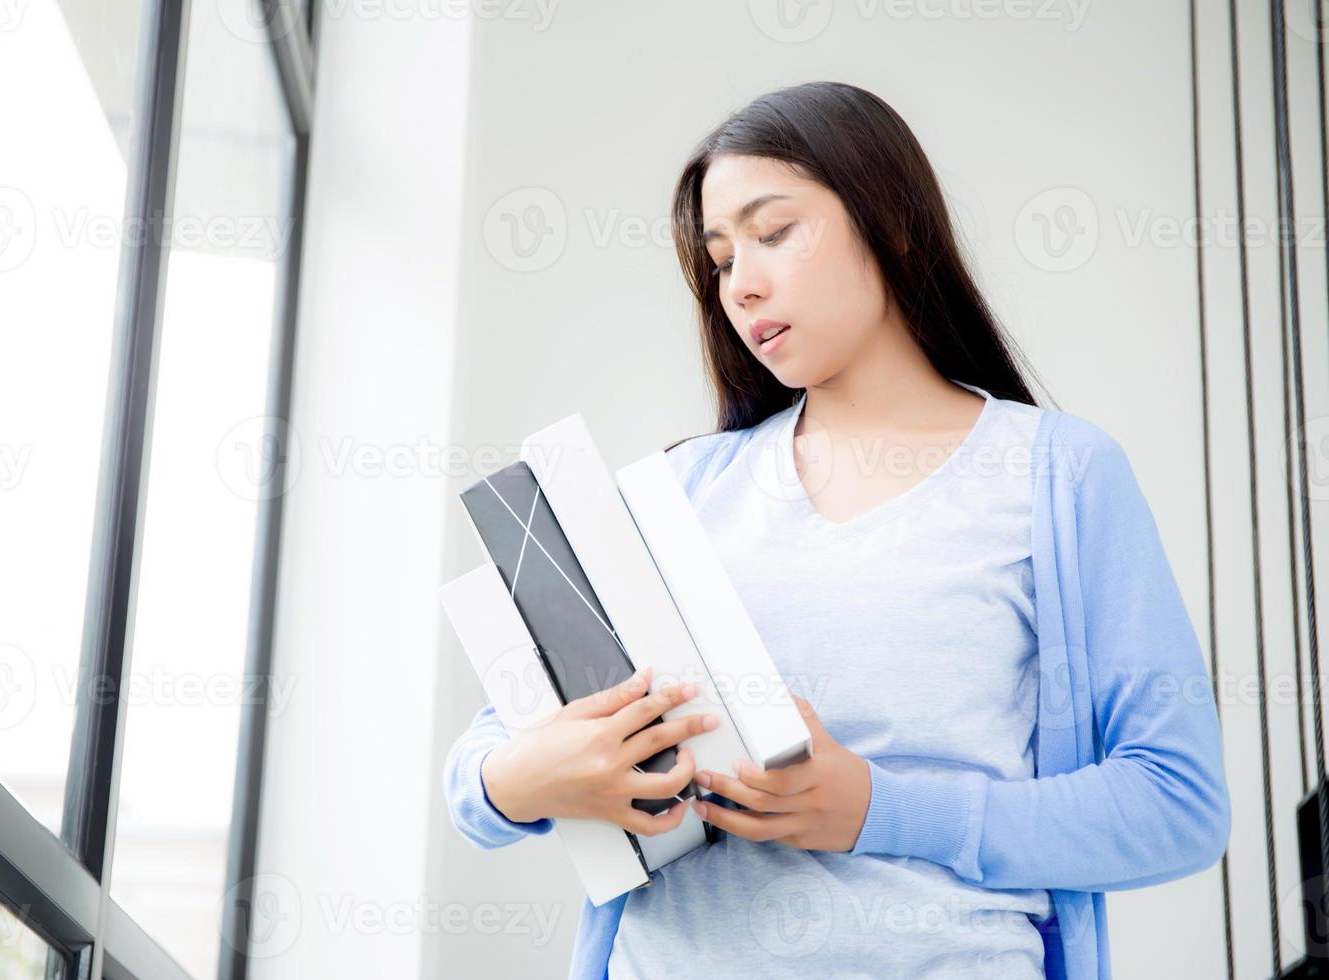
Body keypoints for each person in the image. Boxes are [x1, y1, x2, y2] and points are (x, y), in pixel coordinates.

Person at [443, 80, 1231, 979]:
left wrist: (879, 810)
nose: (742, 285)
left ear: (890, 220)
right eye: (720, 258)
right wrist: (524, 780)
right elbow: (480, 769)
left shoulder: (1061, 475)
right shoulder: (685, 489)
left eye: (774, 233)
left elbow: (1177, 805)